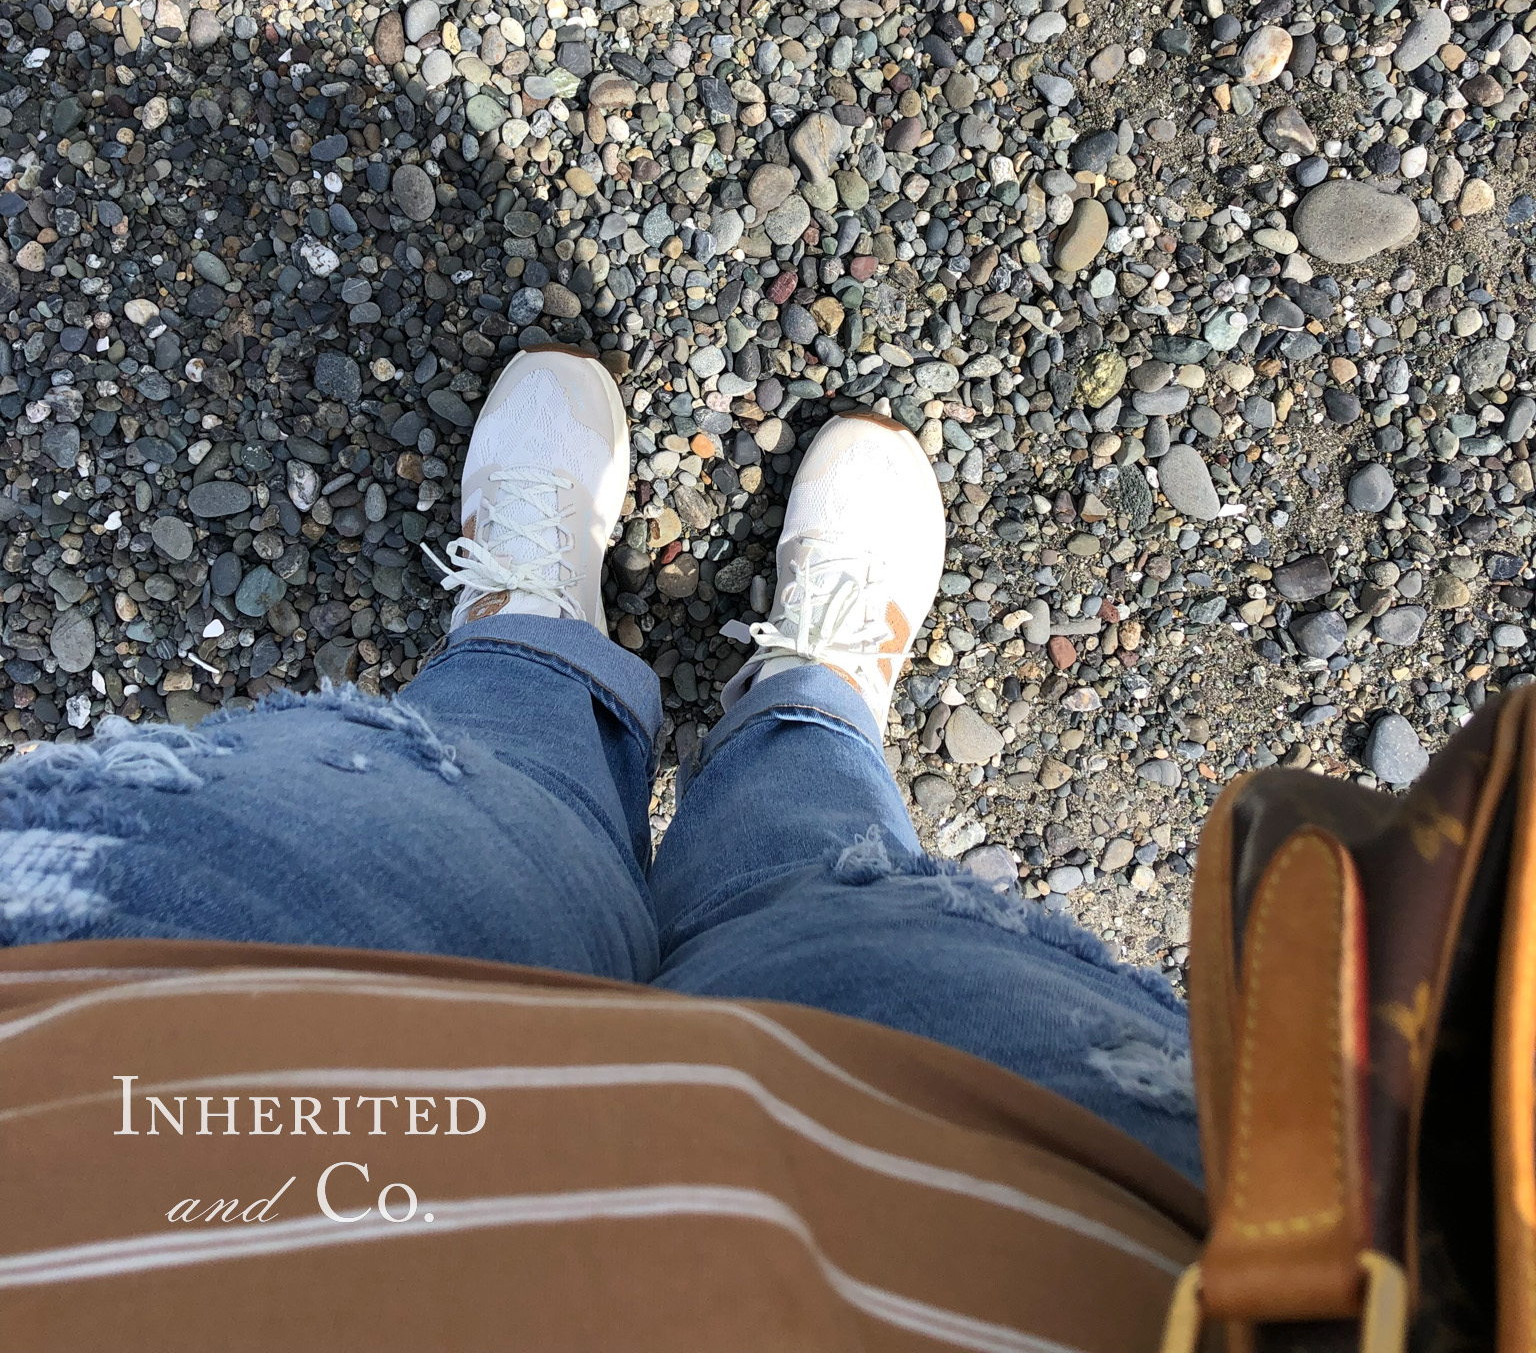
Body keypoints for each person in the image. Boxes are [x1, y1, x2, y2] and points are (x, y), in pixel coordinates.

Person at [0, 345, 1203, 1349]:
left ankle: (529, 638)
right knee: (844, 923)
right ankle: (808, 704)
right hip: (1037, 1264)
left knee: (451, 817)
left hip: (98, 1139)